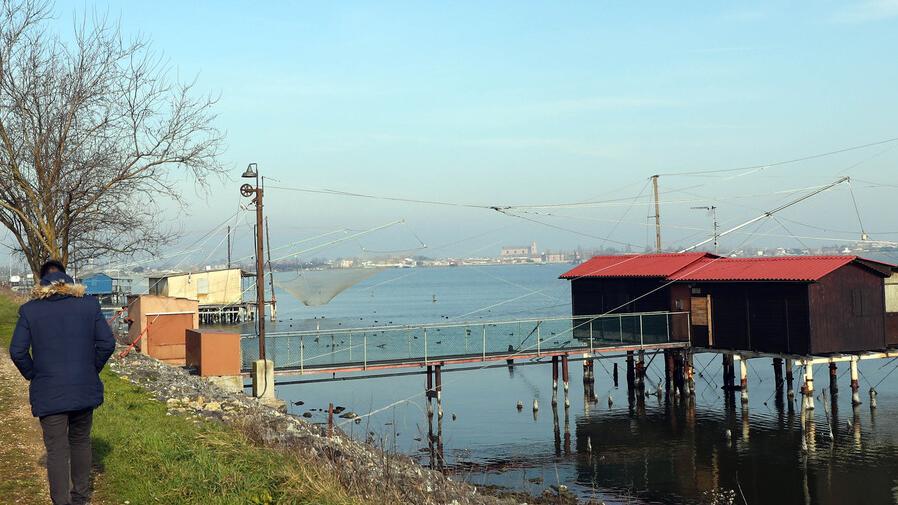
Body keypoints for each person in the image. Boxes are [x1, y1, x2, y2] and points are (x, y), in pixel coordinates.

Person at [8, 259, 116, 505]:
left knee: (56, 449)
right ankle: (80, 497)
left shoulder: (30, 310)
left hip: (49, 390)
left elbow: (18, 351)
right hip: (83, 387)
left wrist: (33, 373)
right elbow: (107, 343)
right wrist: (91, 369)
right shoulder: (89, 305)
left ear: (41, 281)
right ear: (67, 280)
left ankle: (61, 501)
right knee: (80, 441)